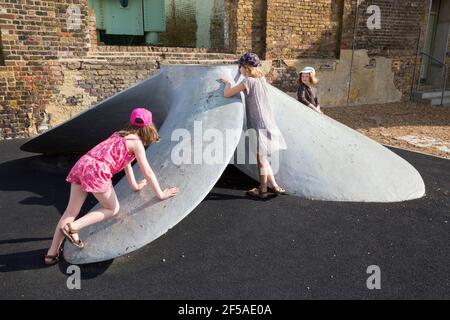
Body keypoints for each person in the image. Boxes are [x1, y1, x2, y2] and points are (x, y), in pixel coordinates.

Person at [44, 108, 179, 265]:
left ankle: (51, 254)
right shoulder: (137, 144)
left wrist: (135, 185)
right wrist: (161, 194)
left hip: (84, 163)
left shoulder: (119, 134)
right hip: (97, 170)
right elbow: (147, 172)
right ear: (149, 128)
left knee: (70, 211)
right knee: (112, 209)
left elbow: (126, 163)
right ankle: (73, 227)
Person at [219, 52, 287, 199]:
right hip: (268, 120)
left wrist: (228, 82)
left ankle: (262, 190)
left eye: (240, 66)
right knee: (265, 159)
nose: (238, 69)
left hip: (258, 124)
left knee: (261, 160)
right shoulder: (261, 78)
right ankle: (274, 186)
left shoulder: (248, 81)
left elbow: (228, 94)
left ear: (245, 67)